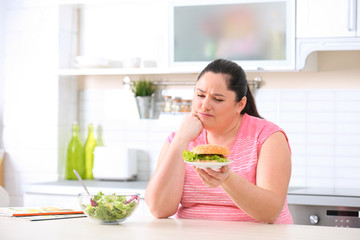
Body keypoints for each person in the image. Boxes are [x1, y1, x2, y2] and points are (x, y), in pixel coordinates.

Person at [145, 59, 293, 224]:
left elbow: (270, 212)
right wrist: (181, 140)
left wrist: (226, 178)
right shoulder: (179, 138)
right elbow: (158, 209)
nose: (205, 105)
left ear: (240, 104)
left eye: (218, 99)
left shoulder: (267, 136)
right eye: (200, 95)